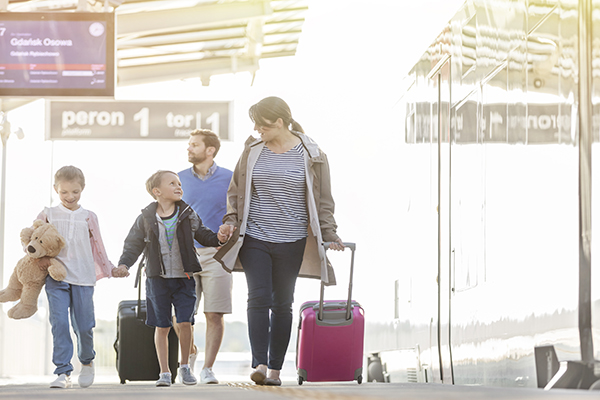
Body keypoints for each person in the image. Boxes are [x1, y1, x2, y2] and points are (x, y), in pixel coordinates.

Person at [216, 96, 345, 386]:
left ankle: (275, 369)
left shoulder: (312, 154)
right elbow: (235, 192)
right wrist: (231, 220)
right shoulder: (252, 151)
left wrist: (329, 231)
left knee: (283, 302)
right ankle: (259, 364)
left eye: (260, 124)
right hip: (255, 236)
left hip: (293, 237)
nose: (256, 129)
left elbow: (324, 199)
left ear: (278, 122)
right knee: (258, 297)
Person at [117, 170, 229, 387]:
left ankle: (185, 366)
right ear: (156, 191)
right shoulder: (146, 218)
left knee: (185, 322)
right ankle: (164, 372)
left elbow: (203, 234)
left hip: (184, 278)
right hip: (157, 279)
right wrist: (124, 264)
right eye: (173, 183)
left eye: (179, 183)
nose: (179, 187)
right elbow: (133, 244)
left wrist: (218, 238)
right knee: (162, 326)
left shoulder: (187, 213)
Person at [35, 166, 128, 389]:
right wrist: (37, 259)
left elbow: (98, 246)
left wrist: (111, 268)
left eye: (75, 192)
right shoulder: (47, 213)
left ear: (82, 189)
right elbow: (32, 238)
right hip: (56, 276)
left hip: (84, 277)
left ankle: (87, 361)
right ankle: (63, 371)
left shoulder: (88, 216)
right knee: (59, 322)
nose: (69, 197)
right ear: (56, 189)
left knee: (84, 325)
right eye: (64, 192)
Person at [177, 129, 233, 384]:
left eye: (194, 145)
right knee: (182, 317)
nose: (189, 149)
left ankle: (208, 368)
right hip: (184, 256)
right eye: (189, 144)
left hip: (217, 255)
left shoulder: (230, 179)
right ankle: (189, 353)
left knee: (215, 313)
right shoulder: (176, 180)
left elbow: (237, 215)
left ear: (210, 150)